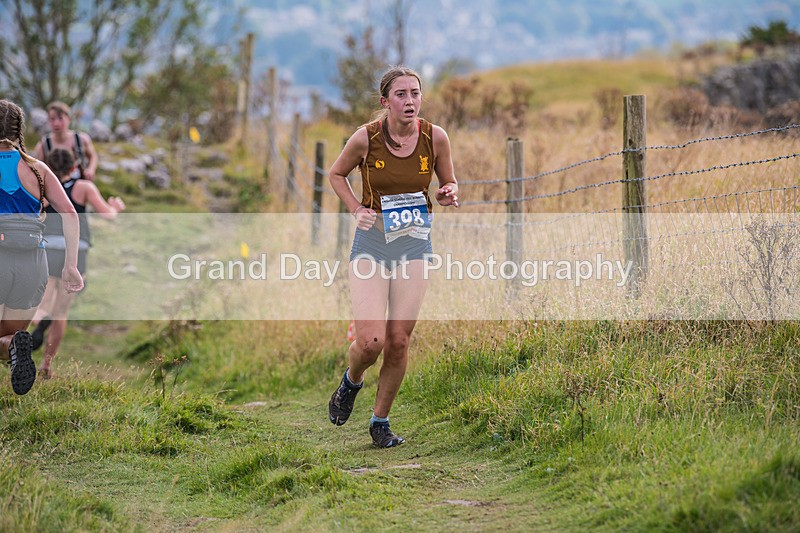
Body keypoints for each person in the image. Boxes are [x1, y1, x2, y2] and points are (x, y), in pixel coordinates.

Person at [327, 66, 459, 448]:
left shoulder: (435, 137)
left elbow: (446, 183)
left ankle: (380, 422)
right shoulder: (365, 139)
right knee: (371, 342)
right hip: (372, 246)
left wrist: (448, 192)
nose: (410, 101)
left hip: (414, 245)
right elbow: (336, 174)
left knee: (399, 341)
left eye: (415, 93)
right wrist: (356, 208)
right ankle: (351, 382)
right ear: (385, 102)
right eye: (401, 94)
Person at [0, 99, 84, 395]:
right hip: (33, 263)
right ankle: (15, 347)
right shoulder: (38, 169)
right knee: (8, 337)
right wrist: (71, 265)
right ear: (20, 130)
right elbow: (70, 214)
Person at [29, 148, 125, 379]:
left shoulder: (43, 186)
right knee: (62, 311)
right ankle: (46, 365)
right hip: (76, 250)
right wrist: (117, 207)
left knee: (41, 303)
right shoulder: (83, 187)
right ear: (74, 167)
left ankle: (39, 322)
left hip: (48, 247)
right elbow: (107, 214)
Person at [33, 101, 98, 181]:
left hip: (80, 184)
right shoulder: (43, 145)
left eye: (60, 118)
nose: (56, 123)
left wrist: (91, 169)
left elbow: (93, 156)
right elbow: (38, 169)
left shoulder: (82, 139)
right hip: (55, 186)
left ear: (69, 119)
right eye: (52, 119)